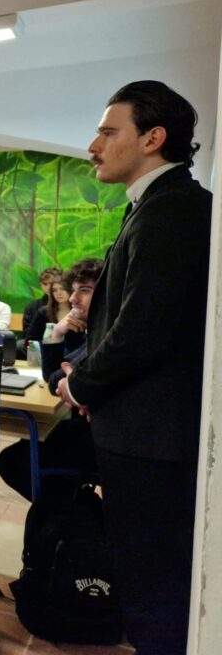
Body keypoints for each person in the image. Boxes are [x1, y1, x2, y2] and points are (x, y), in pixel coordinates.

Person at [57, 81, 212, 655]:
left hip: (153, 442)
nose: (93, 145)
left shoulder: (173, 210)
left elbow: (142, 330)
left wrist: (81, 385)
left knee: (155, 587)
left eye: (107, 131)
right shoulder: (154, 206)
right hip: (142, 431)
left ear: (153, 138)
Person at [0, 258, 102, 502]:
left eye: (84, 290)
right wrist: (56, 333)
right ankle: (69, 507)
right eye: (73, 290)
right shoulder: (91, 330)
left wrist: (69, 382)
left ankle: (68, 511)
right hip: (88, 429)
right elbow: (53, 378)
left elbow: (58, 380)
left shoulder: (104, 336)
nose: (73, 298)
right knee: (28, 442)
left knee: (11, 461)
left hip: (99, 441)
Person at [25, 279, 78, 349]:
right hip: (46, 352)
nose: (58, 293)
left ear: (71, 290)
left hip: (75, 353)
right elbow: (30, 341)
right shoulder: (43, 312)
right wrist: (48, 342)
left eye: (62, 289)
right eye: (54, 290)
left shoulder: (78, 312)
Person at [21, 267, 61, 335]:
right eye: (45, 284)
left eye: (51, 283)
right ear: (41, 285)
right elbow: (27, 332)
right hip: (37, 340)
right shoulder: (32, 306)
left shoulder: (67, 305)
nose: (48, 287)